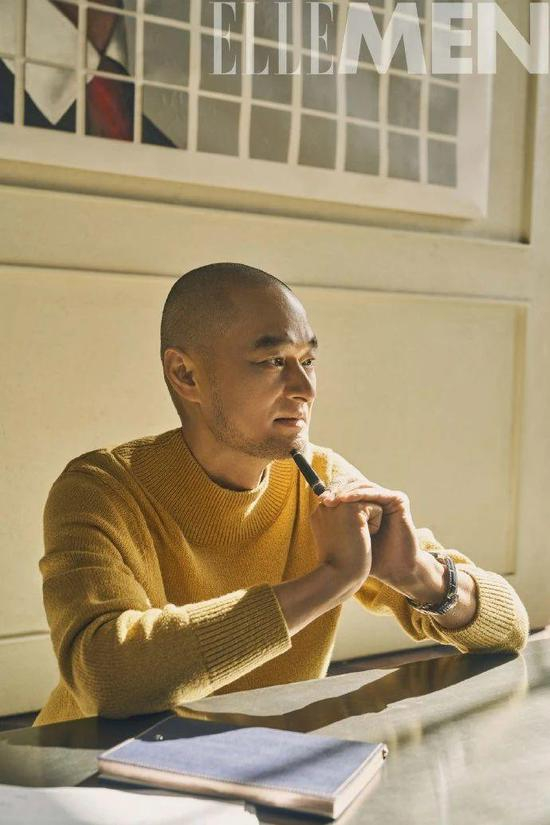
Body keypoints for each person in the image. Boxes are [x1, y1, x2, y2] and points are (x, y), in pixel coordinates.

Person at [34, 262, 529, 727]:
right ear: (186, 375)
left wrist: (418, 574)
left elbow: (510, 627)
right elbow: (109, 678)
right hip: (83, 773)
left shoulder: (324, 480)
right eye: (272, 361)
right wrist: (329, 581)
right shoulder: (100, 489)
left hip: (261, 768)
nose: (305, 388)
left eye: (308, 360)